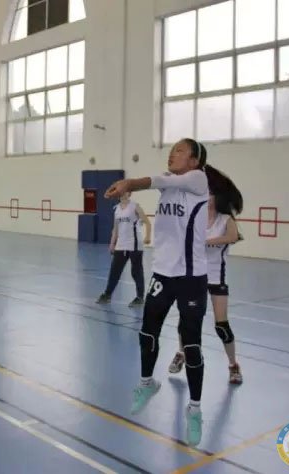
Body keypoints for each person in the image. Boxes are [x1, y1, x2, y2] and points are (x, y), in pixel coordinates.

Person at [104, 138, 211, 446]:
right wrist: (133, 187)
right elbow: (161, 182)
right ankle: (147, 382)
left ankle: (195, 410)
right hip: (163, 273)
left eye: (180, 150)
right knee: (147, 332)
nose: (172, 153)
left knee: (191, 344)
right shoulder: (169, 183)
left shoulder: (198, 179)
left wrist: (130, 183)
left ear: (194, 161)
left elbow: (156, 181)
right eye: (171, 149)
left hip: (191, 276)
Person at [168, 167, 244, 384]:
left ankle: (233, 365)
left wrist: (206, 241)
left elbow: (232, 236)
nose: (207, 197)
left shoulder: (225, 219)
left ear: (217, 197)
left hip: (216, 277)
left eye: (210, 194)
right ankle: (181, 353)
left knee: (222, 326)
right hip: (194, 276)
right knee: (186, 319)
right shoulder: (196, 217)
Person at [96, 192, 151, 307]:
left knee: (136, 272)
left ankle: (140, 298)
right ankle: (107, 295)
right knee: (114, 271)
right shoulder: (116, 209)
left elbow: (147, 222)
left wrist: (148, 236)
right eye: (121, 192)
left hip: (134, 244)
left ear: (129, 193)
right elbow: (115, 229)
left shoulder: (135, 206)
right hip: (121, 245)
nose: (122, 194)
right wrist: (112, 243)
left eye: (125, 191)